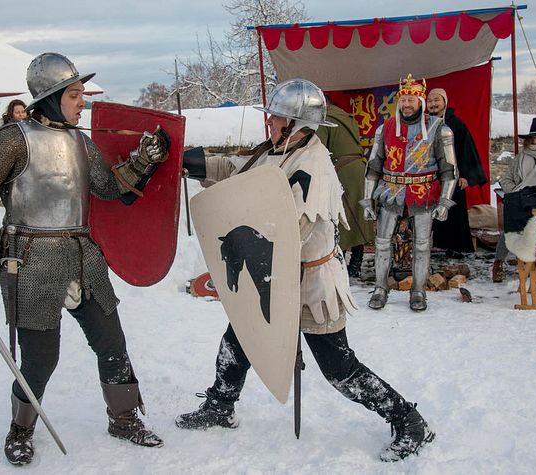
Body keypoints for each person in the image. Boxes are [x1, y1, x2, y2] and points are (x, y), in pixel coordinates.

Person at [177, 79, 434, 462]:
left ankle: (409, 420)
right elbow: (237, 170)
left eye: (278, 117)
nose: (271, 123)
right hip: (275, 274)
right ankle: (220, 404)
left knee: (338, 367)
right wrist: (187, 160)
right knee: (240, 337)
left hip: (312, 282)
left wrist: (241, 228)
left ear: (297, 123)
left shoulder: (313, 166)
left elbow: (288, 228)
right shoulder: (275, 151)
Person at [0, 52, 170, 465]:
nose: (82, 102)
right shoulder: (11, 140)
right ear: (51, 97)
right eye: (75, 94)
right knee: (42, 358)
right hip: (32, 261)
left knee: (112, 343)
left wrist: (144, 160)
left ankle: (124, 418)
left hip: (83, 255)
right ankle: (21, 429)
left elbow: (109, 188)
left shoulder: (82, 143)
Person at [360, 74, 458, 311]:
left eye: (411, 99)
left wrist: (445, 201)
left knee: (422, 245)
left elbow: (449, 169)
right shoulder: (385, 128)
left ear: (420, 101)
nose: (406, 104)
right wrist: (367, 200)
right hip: (390, 191)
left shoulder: (439, 129)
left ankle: (418, 291)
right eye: (403, 99)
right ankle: (380, 288)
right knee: (382, 243)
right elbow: (373, 166)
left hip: (424, 192)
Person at [492, 117, 536, 282]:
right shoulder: (520, 157)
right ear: (530, 139)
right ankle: (498, 262)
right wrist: (516, 193)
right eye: (535, 137)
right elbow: (507, 179)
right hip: (522, 197)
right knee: (511, 223)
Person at [316, 97, 374, 277]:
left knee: (341, 216)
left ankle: (343, 262)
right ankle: (356, 260)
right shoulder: (346, 117)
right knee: (357, 214)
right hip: (359, 168)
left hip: (343, 172)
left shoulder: (324, 119)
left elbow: (318, 149)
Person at [426, 88, 487, 258]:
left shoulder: (456, 124)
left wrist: (466, 176)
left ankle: (456, 247)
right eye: (430, 101)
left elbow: (467, 150)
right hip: (429, 177)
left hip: (452, 176)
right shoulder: (422, 125)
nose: (433, 104)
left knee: (452, 211)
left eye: (436, 100)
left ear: (445, 102)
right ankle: (432, 245)